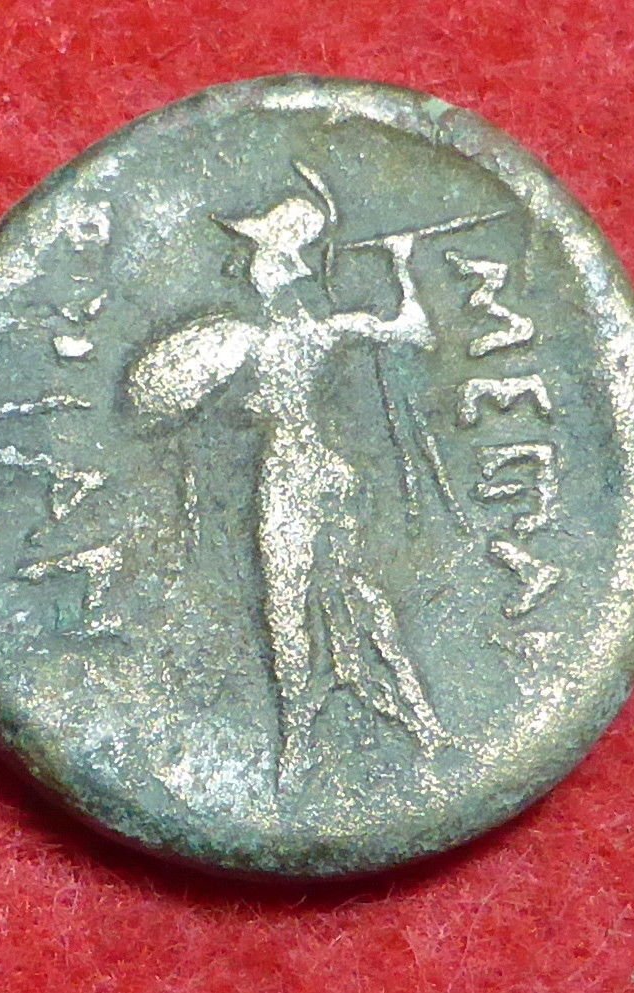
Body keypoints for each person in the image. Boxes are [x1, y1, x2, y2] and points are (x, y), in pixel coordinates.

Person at [127, 177, 448, 785]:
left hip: (291, 473)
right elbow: (417, 329)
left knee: (287, 602)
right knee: (358, 591)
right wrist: (402, 265)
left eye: (256, 255)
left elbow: (157, 398)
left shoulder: (249, 339)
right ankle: (421, 720)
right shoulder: (326, 329)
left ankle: (298, 733)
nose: (247, 268)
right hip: (335, 472)